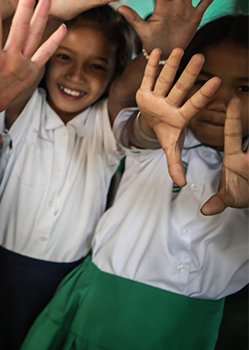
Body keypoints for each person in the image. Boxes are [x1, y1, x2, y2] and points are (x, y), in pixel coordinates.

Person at [22, 15, 248, 349]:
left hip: (192, 329)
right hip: (97, 309)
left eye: (244, 87)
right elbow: (136, 127)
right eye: (202, 81)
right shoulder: (160, 138)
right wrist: (151, 117)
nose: (220, 100)